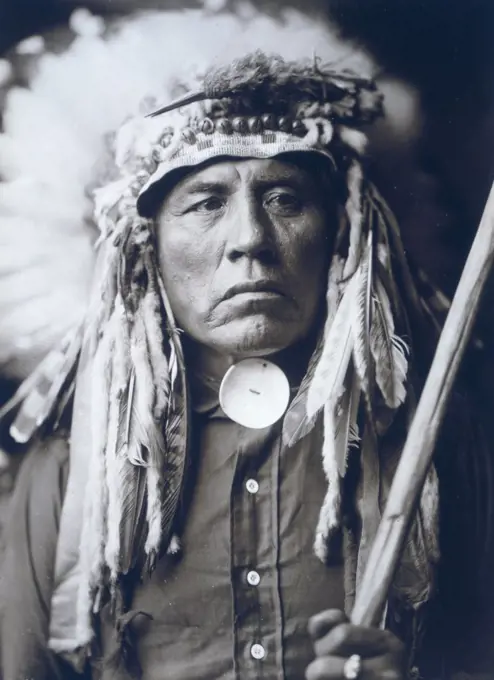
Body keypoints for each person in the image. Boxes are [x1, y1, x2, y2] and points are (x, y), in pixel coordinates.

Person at [0, 50, 492, 680]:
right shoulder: (72, 468)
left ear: (343, 234)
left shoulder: (434, 445)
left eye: (285, 198)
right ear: (142, 250)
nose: (250, 240)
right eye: (205, 202)